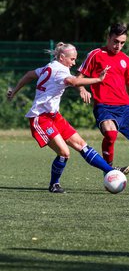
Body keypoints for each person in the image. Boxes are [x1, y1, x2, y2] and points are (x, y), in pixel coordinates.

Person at [7, 42, 118, 193]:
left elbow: (29, 74)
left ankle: (111, 171)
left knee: (81, 144)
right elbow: (73, 81)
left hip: (54, 116)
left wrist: (15, 90)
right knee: (64, 153)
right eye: (72, 59)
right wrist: (98, 80)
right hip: (40, 118)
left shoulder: (50, 66)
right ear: (62, 57)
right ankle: (54, 185)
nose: (74, 62)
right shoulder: (60, 70)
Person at [77, 23, 129, 190]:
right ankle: (108, 171)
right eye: (115, 41)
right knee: (110, 134)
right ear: (108, 38)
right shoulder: (95, 55)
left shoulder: (125, 60)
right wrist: (81, 88)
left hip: (125, 107)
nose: (118, 46)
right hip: (104, 106)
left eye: (122, 43)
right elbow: (78, 77)